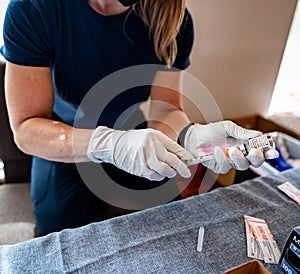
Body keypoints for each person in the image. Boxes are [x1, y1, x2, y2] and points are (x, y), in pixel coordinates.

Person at [0, 0, 277, 235]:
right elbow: (27, 128)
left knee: (168, 220)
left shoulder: (172, 18)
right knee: (60, 229)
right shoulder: (34, 8)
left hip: (139, 137)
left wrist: (191, 137)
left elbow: (165, 108)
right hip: (63, 139)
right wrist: (109, 145)